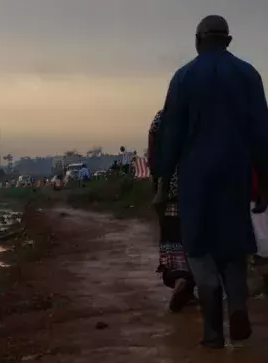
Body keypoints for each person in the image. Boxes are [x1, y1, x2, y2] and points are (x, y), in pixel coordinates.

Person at [154, 15, 268, 348]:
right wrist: (264, 183)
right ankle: (237, 306)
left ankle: (214, 330)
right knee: (233, 247)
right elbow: (262, 134)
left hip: (196, 175)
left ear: (197, 40)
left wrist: (162, 186)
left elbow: (170, 134)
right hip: (236, 173)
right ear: (228, 41)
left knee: (200, 249)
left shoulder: (184, 77)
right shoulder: (249, 75)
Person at [148, 110, 195, 312]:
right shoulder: (200, 113)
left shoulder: (162, 117)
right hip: (198, 186)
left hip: (168, 188)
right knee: (196, 238)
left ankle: (180, 280)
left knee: (172, 237)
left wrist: (157, 181)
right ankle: (192, 285)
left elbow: (152, 153)